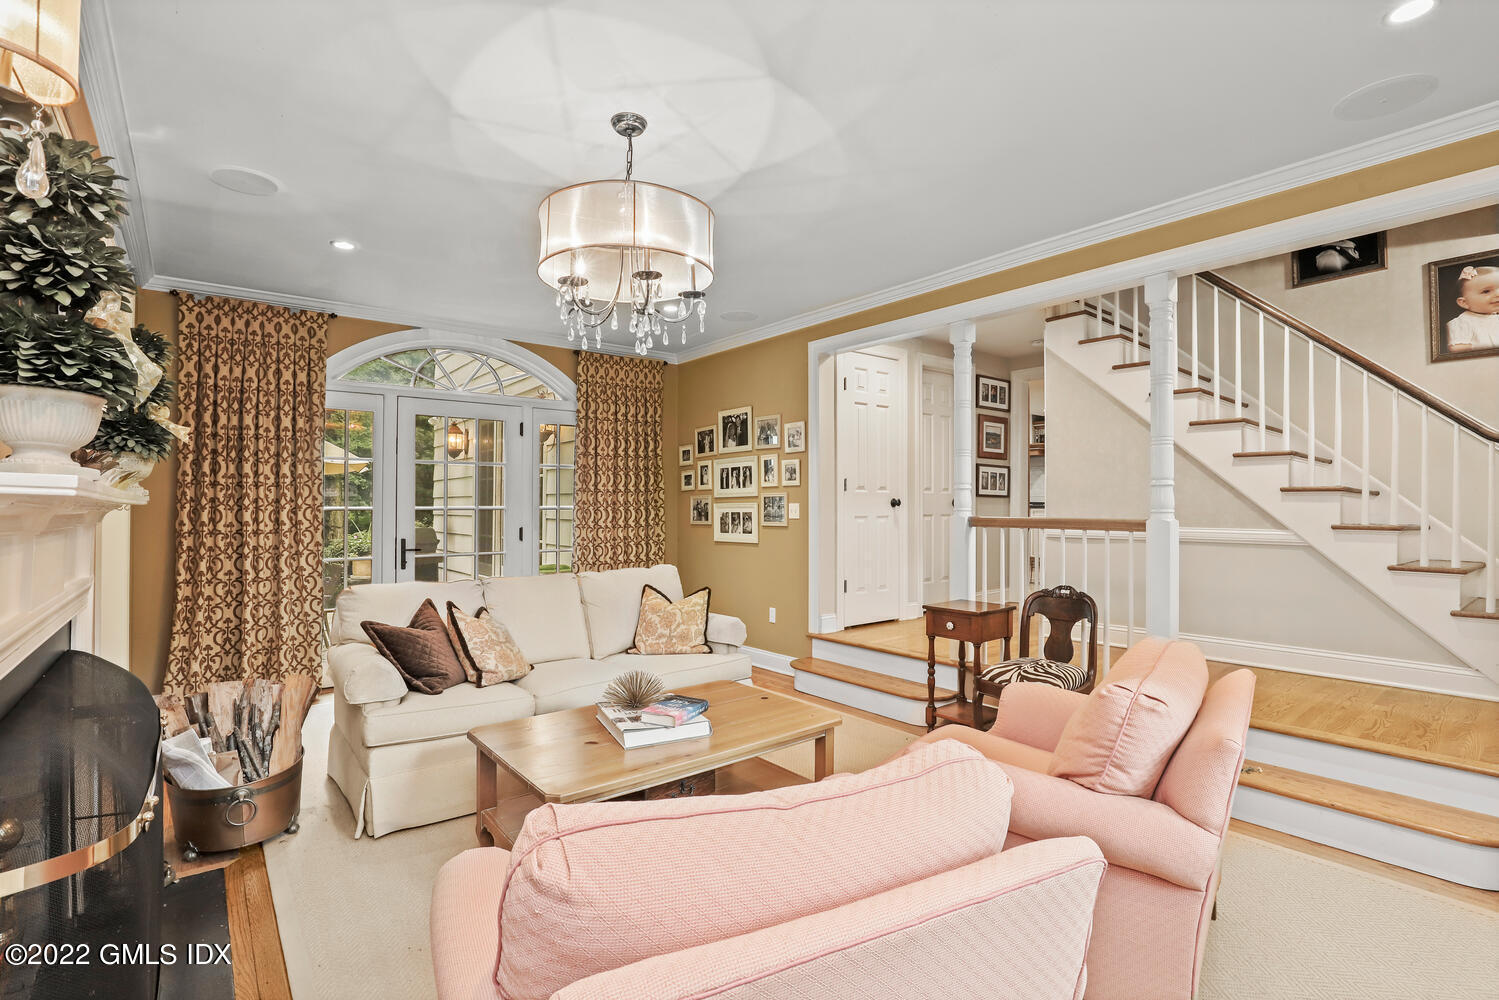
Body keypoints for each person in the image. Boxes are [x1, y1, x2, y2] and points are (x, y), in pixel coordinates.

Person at [1447, 265, 1499, 352]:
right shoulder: (1462, 323)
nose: (1498, 294)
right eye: (1486, 291)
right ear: (1464, 302)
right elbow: (1457, 350)